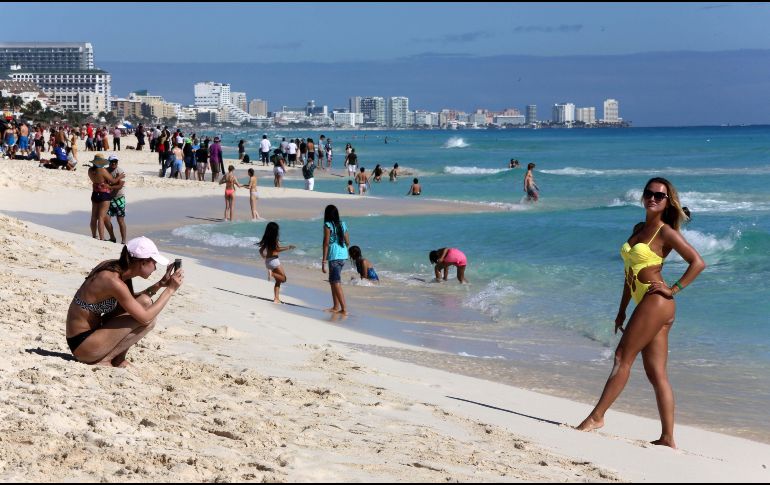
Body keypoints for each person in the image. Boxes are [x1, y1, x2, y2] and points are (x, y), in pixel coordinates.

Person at [576, 178, 705, 449]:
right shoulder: (638, 228)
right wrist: (622, 309)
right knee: (656, 373)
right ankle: (668, 438)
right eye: (649, 193)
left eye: (660, 195)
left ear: (668, 201)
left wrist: (675, 288)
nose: (654, 198)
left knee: (623, 356)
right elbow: (629, 273)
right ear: (643, 196)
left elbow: (697, 262)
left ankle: (596, 417)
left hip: (657, 300)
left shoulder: (666, 232)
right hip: (643, 302)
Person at [65, 236, 183, 366]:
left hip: (93, 334)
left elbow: (129, 301)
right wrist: (170, 290)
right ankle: (105, 359)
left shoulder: (115, 268)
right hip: (83, 345)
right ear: (142, 262)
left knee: (144, 301)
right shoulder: (113, 281)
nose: (155, 268)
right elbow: (145, 319)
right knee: (149, 321)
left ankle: (118, 359)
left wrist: (160, 284)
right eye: (154, 263)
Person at [88, 154, 124, 241]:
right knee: (101, 217)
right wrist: (120, 176)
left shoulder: (90, 170)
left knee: (93, 216)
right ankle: (102, 237)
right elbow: (113, 180)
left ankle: (94, 235)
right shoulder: (102, 170)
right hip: (104, 194)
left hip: (95, 193)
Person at [322, 205, 350, 315]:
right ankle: (335, 306)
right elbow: (347, 241)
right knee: (333, 281)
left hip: (334, 255)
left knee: (336, 282)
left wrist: (323, 261)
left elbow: (326, 243)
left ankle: (343, 309)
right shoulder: (343, 224)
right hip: (343, 255)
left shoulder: (327, 225)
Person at [258, 222, 296, 304]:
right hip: (274, 261)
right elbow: (277, 249)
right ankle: (271, 274)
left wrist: (265, 257)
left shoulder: (267, 239)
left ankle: (276, 298)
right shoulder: (274, 239)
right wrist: (288, 247)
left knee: (278, 280)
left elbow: (260, 250)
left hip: (268, 261)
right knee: (283, 278)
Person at [106, 155, 127, 244]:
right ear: (109, 162)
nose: (114, 163)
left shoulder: (120, 171)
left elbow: (120, 186)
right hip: (109, 198)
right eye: (112, 161)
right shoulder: (106, 171)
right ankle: (112, 237)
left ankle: (124, 241)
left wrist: (109, 186)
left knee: (120, 220)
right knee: (106, 219)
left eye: (115, 161)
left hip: (119, 198)